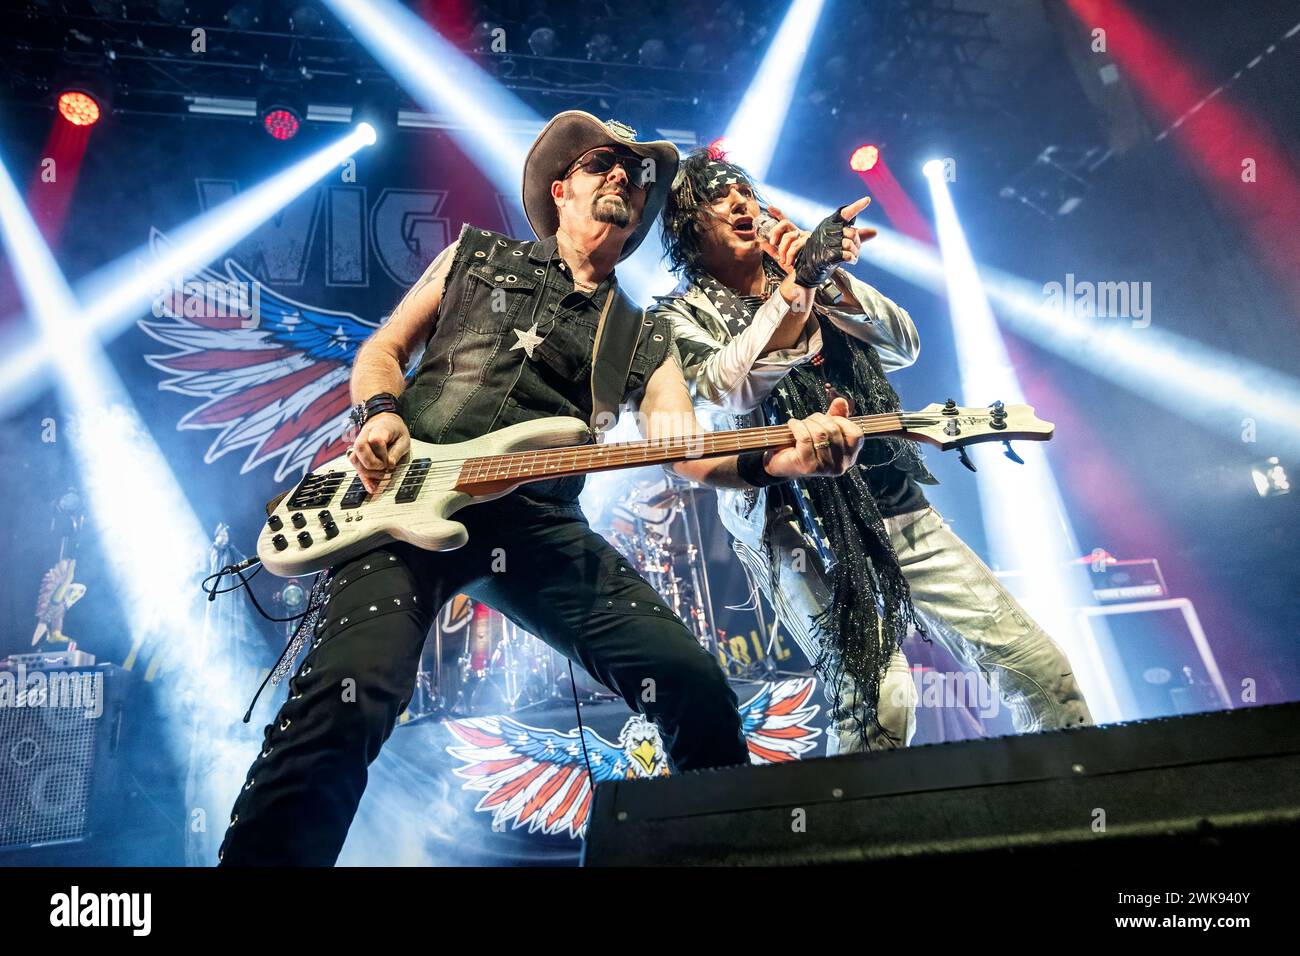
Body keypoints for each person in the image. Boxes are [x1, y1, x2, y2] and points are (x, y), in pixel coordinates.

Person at [218, 114, 868, 865]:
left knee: (695, 687)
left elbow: (683, 451)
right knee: (347, 696)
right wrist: (381, 413)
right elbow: (383, 350)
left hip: (537, 526)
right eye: (602, 163)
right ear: (562, 189)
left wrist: (782, 460)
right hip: (401, 501)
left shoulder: (641, 333)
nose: (622, 173)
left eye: (633, 169)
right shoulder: (475, 257)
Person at [651, 147, 1092, 754]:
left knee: (1042, 671)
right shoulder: (678, 317)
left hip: (894, 504)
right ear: (686, 226)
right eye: (716, 196)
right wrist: (797, 290)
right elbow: (730, 386)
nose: (738, 202)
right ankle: (853, 842)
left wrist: (824, 276)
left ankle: (1086, 823)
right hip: (798, 527)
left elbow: (904, 343)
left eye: (744, 191)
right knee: (882, 701)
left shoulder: (810, 280)